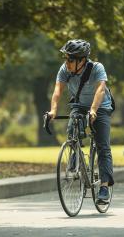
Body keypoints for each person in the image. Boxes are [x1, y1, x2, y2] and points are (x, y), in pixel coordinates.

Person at [47, 39, 114, 201]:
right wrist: (53, 110)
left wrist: (93, 110)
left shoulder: (97, 68)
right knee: (73, 127)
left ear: (82, 60)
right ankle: (75, 150)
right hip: (79, 105)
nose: (67, 63)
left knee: (102, 145)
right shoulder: (64, 70)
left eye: (70, 59)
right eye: (66, 59)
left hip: (101, 106)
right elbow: (57, 91)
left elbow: (100, 89)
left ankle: (104, 186)